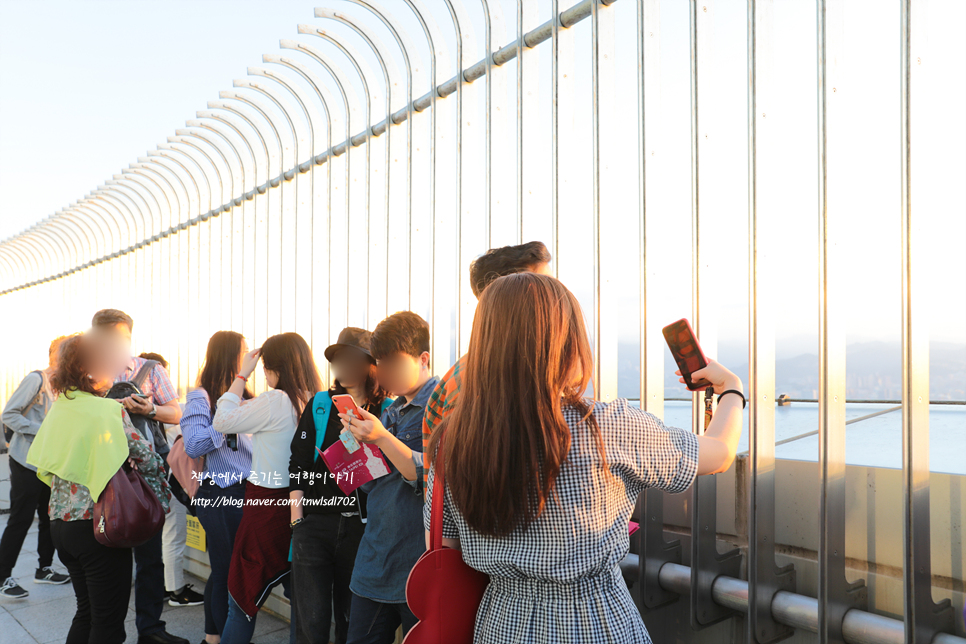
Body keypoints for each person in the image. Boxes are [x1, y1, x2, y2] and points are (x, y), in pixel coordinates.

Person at [423, 272, 744, 644]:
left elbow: (444, 545)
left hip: (499, 621)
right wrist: (731, 389)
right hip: (594, 622)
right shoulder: (605, 426)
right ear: (568, 342)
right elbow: (719, 454)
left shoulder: (452, 439)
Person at [26, 332, 172, 644]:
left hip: (60, 528)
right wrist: (160, 497)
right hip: (98, 529)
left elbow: (47, 465)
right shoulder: (107, 410)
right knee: (108, 626)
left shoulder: (60, 408)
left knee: (87, 612)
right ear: (90, 370)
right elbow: (148, 460)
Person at [337, 312, 439, 644]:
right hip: (375, 557)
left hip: (416, 562)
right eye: (381, 363)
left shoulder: (441, 405)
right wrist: (353, 441)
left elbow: (430, 476)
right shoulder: (391, 410)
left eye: (394, 362)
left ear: (423, 359)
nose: (385, 372)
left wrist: (381, 437)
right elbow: (367, 482)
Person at [213, 332, 321, 644]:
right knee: (299, 599)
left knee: (242, 598)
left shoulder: (276, 400)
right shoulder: (314, 399)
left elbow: (222, 421)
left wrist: (241, 374)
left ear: (273, 368)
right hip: (302, 504)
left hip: (265, 506)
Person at [420, 241, 554, 493]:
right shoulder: (472, 383)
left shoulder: (528, 370)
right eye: (541, 286)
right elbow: (472, 491)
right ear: (501, 295)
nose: (554, 297)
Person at [288, 327, 394, 644]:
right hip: (315, 525)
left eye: (350, 358)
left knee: (352, 621)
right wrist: (297, 519)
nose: (342, 366)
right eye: (337, 360)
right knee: (311, 623)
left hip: (362, 530)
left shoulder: (387, 412)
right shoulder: (320, 405)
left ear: (371, 365)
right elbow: (299, 462)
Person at [92, 309, 188, 644]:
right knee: (107, 559)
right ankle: (108, 630)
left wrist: (148, 409)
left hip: (145, 476)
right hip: (100, 476)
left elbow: (175, 411)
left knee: (149, 557)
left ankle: (150, 628)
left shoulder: (151, 370)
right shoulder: (87, 372)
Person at [181, 331, 255, 644]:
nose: (251, 359)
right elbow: (195, 444)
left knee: (225, 569)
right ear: (231, 357)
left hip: (247, 490)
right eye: (245, 352)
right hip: (218, 491)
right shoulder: (201, 397)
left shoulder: (249, 397)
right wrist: (226, 417)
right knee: (227, 571)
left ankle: (212, 639)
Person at [0, 335, 71, 599]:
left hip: (48, 464)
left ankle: (44, 569)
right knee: (20, 519)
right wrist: (41, 431)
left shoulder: (62, 385)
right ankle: (2, 576)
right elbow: (8, 414)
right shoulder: (37, 380)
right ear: (56, 354)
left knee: (49, 518)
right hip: (26, 461)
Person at [138, 352, 203, 609]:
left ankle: (161, 585)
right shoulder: (169, 411)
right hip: (169, 479)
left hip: (143, 479)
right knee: (174, 533)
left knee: (155, 536)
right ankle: (176, 591)